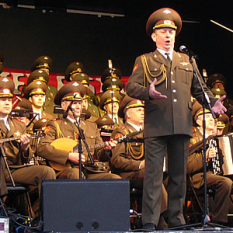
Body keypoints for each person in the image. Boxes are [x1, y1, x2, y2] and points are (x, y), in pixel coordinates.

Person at [126, 7, 226, 229]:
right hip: (156, 125)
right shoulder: (144, 60)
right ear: (154, 36)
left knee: (179, 177)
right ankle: (150, 222)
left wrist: (212, 102)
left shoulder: (186, 60)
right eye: (162, 31)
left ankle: (176, 220)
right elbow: (130, 87)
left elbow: (199, 89)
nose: (168, 35)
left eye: (171, 31)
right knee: (153, 177)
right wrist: (147, 93)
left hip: (181, 125)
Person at [37, 81, 120, 180]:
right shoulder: (55, 125)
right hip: (66, 170)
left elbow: (99, 154)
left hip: (89, 170)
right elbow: (42, 148)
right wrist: (68, 155)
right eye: (74, 103)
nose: (78, 106)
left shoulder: (92, 126)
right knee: (76, 174)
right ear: (63, 105)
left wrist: (107, 150)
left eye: (79, 103)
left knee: (114, 179)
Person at [0, 77, 56, 196]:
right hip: (1, 170)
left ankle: (48, 213)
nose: (7, 103)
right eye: (2, 99)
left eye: (9, 100)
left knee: (46, 172)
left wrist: (25, 148)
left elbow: (26, 159)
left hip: (14, 169)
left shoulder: (19, 125)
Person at [187, 102, 233, 225]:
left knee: (227, 179)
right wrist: (204, 157)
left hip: (215, 174)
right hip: (198, 176)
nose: (211, 119)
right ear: (198, 121)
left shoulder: (218, 138)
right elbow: (187, 165)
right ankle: (219, 221)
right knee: (225, 183)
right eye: (206, 116)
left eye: (212, 116)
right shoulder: (192, 139)